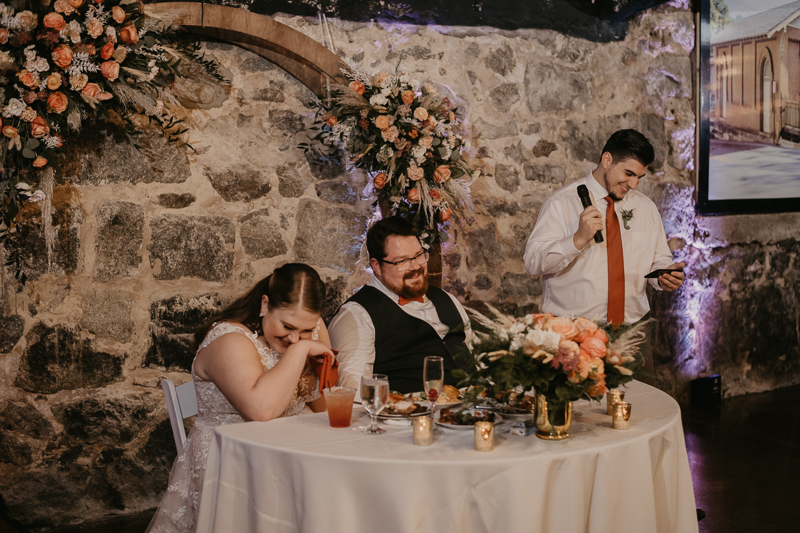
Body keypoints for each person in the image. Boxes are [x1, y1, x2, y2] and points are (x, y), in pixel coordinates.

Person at [146, 263, 334, 533]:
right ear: (265, 304)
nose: (295, 338)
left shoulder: (311, 328)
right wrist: (302, 350)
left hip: (291, 449)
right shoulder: (229, 339)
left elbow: (321, 404)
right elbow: (260, 410)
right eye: (288, 326)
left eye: (306, 330)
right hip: (230, 458)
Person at [523, 128, 685, 333]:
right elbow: (533, 263)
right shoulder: (561, 203)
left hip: (633, 329)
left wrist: (663, 276)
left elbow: (658, 259)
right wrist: (577, 239)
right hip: (574, 331)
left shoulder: (646, 207)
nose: (633, 184)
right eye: (629, 173)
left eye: (639, 177)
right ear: (607, 160)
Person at [328, 217, 473, 394]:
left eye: (419, 255)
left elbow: (473, 353)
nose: (416, 267)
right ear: (377, 266)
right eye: (402, 261)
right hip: (408, 416)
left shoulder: (447, 299)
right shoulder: (356, 315)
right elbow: (353, 391)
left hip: (474, 409)